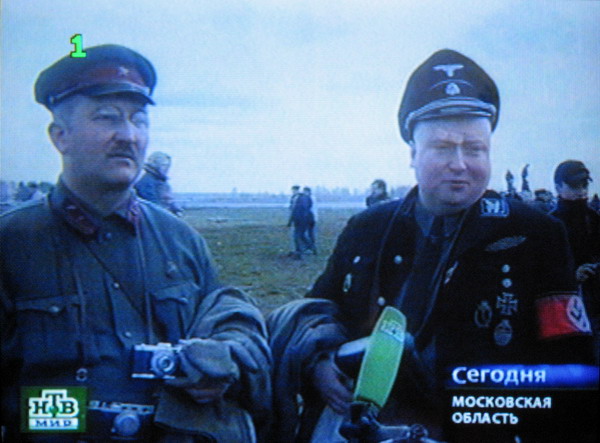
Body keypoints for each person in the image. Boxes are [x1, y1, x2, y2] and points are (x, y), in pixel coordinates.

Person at [268, 49, 594, 442]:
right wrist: (319, 364)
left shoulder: (536, 235)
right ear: (413, 154)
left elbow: (570, 363)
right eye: (442, 147)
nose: (459, 163)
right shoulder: (367, 228)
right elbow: (318, 310)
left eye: (474, 148)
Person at [0, 44, 271, 442]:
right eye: (107, 118)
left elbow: (228, 320)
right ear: (60, 136)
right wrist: (89, 418)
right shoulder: (12, 242)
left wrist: (216, 368)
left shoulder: (181, 241)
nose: (128, 135)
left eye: (139, 120)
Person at [550, 160, 600, 363]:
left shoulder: (594, 218)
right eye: (574, 186)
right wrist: (573, 275)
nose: (581, 191)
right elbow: (541, 271)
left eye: (584, 185)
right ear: (558, 187)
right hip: (565, 308)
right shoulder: (549, 224)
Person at [135, 151, 183, 216]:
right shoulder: (147, 182)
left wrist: (174, 207)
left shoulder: (162, 181)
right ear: (155, 165)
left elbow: (168, 199)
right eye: (163, 165)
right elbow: (152, 205)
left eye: (168, 165)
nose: (167, 168)